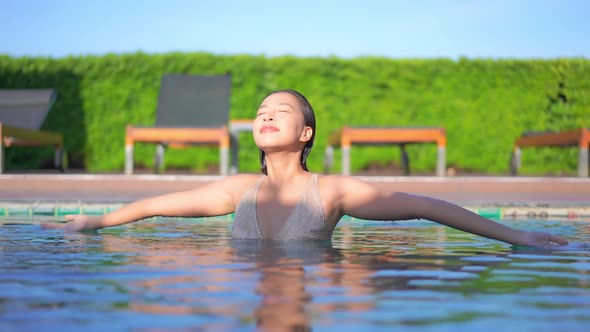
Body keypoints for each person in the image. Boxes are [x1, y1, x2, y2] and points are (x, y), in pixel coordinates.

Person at [43, 89, 568, 247]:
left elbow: (428, 208)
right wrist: (92, 222)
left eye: (281, 110)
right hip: (242, 293)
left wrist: (518, 238)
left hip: (315, 293)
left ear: (306, 133)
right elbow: (154, 207)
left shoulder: (331, 191)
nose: (266, 114)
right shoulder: (237, 189)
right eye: (260, 111)